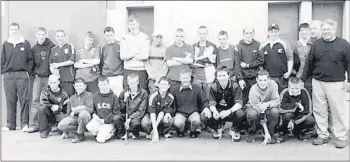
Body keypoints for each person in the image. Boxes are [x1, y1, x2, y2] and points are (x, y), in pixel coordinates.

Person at [301, 19, 350, 149]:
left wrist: (349, 80)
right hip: (318, 82)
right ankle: (323, 134)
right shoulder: (317, 44)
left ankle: (341, 136)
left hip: (336, 83)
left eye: (329, 29)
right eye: (324, 30)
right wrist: (303, 79)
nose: (326, 32)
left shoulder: (344, 44)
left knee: (338, 111)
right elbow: (309, 64)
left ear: (334, 30)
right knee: (319, 110)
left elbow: (349, 63)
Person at [1, 22, 33, 132]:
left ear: (19, 30)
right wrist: (3, 72)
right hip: (8, 76)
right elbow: (2, 60)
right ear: (10, 31)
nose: (14, 31)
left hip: (22, 75)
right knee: (10, 100)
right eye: (12, 29)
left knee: (24, 100)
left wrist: (27, 72)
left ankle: (24, 124)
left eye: (16, 29)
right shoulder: (6, 44)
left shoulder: (25, 43)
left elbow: (30, 59)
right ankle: (10, 124)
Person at [202, 66, 245, 141]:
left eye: (224, 75)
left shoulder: (235, 86)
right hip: (219, 112)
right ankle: (218, 127)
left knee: (240, 113)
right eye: (219, 76)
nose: (222, 78)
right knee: (204, 117)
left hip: (231, 111)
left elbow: (239, 104)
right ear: (217, 77)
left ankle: (234, 129)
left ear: (228, 75)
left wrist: (229, 111)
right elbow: (212, 104)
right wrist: (215, 112)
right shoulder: (213, 86)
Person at [27, 27, 56, 133]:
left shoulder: (52, 46)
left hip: (49, 77)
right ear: (36, 35)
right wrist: (34, 73)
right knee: (35, 100)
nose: (41, 36)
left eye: (43, 34)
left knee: (50, 100)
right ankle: (33, 125)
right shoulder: (34, 48)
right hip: (38, 78)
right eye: (39, 34)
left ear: (46, 34)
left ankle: (51, 124)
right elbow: (31, 63)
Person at [170, 70, 209, 138]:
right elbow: (171, 104)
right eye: (183, 78)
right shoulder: (175, 90)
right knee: (177, 122)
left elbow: (204, 100)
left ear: (190, 78)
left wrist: (206, 108)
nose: (185, 80)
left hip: (193, 112)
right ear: (180, 79)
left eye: (187, 78)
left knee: (197, 120)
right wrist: (172, 114)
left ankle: (193, 130)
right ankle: (181, 130)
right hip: (180, 113)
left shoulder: (197, 88)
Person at [246, 69, 280, 144]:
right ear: (256, 80)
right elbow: (261, 114)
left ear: (269, 79)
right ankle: (252, 132)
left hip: (268, 107)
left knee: (275, 112)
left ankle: (270, 133)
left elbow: (277, 101)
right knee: (252, 114)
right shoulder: (253, 90)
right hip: (255, 108)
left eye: (265, 80)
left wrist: (267, 104)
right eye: (260, 80)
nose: (262, 83)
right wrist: (265, 131)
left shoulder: (273, 84)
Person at [86, 76, 123, 143]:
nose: (103, 86)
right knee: (89, 126)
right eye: (101, 85)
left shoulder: (114, 97)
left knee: (100, 140)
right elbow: (93, 110)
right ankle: (102, 132)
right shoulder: (94, 96)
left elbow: (116, 113)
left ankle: (112, 131)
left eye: (105, 84)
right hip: (98, 120)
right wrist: (95, 116)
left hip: (108, 121)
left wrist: (104, 120)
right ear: (98, 85)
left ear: (108, 84)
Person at [278, 77, 315, 142]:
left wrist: (294, 121)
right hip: (287, 116)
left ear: (301, 86)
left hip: (299, 117)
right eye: (292, 88)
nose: (295, 91)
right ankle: (284, 132)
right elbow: (280, 108)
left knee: (310, 120)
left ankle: (298, 131)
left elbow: (308, 110)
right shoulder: (285, 92)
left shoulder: (304, 92)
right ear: (288, 87)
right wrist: (296, 104)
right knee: (288, 115)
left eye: (297, 88)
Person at [259, 23, 293, 93]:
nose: (273, 34)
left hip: (281, 77)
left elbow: (290, 58)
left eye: (275, 32)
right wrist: (263, 75)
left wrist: (289, 72)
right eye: (272, 32)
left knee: (282, 95)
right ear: (268, 33)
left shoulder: (284, 43)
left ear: (278, 32)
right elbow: (260, 62)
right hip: (269, 77)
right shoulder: (263, 44)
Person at [57, 78, 93, 143]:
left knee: (83, 114)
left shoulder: (89, 95)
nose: (79, 88)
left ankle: (79, 135)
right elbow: (69, 114)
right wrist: (65, 132)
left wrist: (77, 110)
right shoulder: (72, 98)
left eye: (81, 86)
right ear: (74, 86)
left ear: (85, 86)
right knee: (61, 125)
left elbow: (90, 109)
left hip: (85, 118)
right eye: (77, 86)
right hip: (75, 119)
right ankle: (80, 131)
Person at [120, 15, 150, 90]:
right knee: (127, 92)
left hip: (141, 69)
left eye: (134, 24)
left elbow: (145, 55)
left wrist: (130, 55)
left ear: (138, 24)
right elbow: (123, 56)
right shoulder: (124, 37)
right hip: (128, 69)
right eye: (130, 24)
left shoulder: (144, 37)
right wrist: (136, 52)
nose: (132, 26)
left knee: (142, 91)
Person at [141, 77, 175, 143]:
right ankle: (149, 133)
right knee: (145, 122)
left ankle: (161, 133)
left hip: (161, 115)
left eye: (165, 84)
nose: (164, 86)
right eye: (162, 84)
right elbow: (152, 114)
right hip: (151, 115)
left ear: (169, 86)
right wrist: (155, 130)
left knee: (170, 120)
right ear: (158, 85)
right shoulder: (153, 96)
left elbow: (162, 113)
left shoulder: (171, 97)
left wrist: (155, 130)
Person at [235, 27, 263, 104]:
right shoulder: (238, 47)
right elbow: (237, 64)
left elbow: (261, 60)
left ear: (253, 34)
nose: (248, 35)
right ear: (243, 34)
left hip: (255, 78)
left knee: (256, 100)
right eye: (246, 33)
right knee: (244, 101)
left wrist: (248, 65)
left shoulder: (258, 45)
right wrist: (240, 79)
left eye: (250, 33)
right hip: (244, 78)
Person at [38, 74, 69, 138]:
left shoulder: (64, 93)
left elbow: (67, 108)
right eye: (51, 83)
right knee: (42, 108)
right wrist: (52, 106)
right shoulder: (45, 90)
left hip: (60, 114)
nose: (53, 85)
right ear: (48, 83)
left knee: (62, 127)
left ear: (58, 82)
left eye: (55, 83)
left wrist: (59, 108)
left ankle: (58, 127)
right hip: (50, 112)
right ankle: (44, 130)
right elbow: (43, 102)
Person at [119, 73, 148, 139]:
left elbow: (141, 110)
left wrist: (130, 118)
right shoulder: (124, 92)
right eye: (131, 83)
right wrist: (124, 100)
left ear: (137, 82)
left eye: (134, 83)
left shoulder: (143, 93)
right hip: (126, 114)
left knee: (135, 122)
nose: (132, 85)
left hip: (135, 116)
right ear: (128, 83)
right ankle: (122, 133)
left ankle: (135, 133)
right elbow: (120, 108)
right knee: (117, 118)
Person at [191, 26, 217, 96]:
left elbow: (211, 60)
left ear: (207, 34)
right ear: (198, 34)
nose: (202, 35)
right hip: (196, 76)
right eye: (200, 33)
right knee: (197, 97)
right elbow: (192, 61)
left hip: (208, 76)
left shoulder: (212, 46)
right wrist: (204, 60)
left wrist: (197, 60)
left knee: (208, 97)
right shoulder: (194, 46)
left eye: (204, 33)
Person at [49, 30, 76, 97]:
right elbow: (51, 64)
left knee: (69, 99)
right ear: (55, 38)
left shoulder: (70, 46)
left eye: (61, 36)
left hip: (68, 78)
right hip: (58, 80)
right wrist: (55, 75)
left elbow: (72, 61)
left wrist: (58, 64)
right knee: (58, 99)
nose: (60, 38)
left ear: (65, 37)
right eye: (58, 36)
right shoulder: (53, 49)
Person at [100, 26, 124, 97]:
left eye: (111, 35)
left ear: (114, 34)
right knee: (107, 96)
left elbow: (123, 60)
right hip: (106, 76)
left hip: (118, 75)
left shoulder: (120, 45)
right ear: (104, 36)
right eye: (107, 35)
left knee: (118, 96)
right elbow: (101, 61)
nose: (109, 37)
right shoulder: (102, 47)